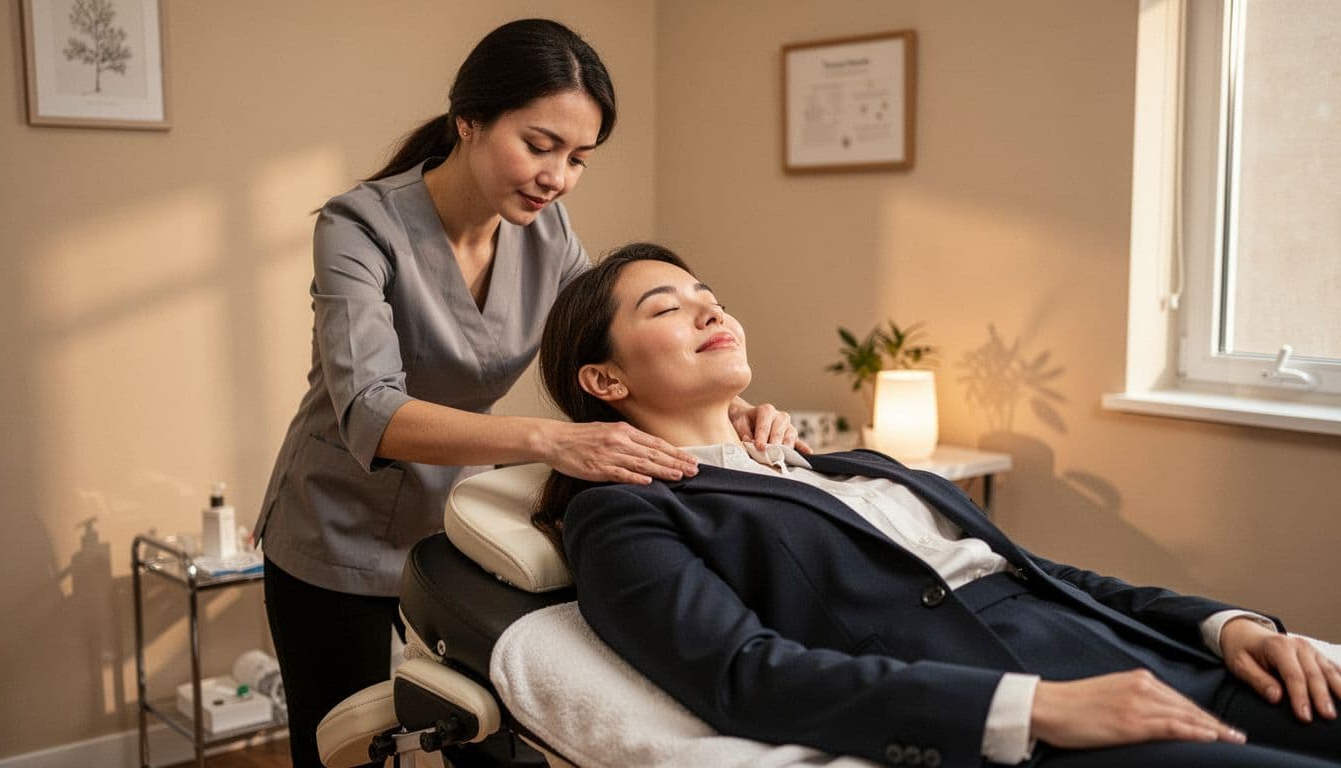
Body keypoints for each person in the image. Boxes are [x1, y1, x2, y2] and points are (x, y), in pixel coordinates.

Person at [530, 242, 1341, 768]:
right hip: (1031, 706)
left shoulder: (836, 458)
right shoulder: (627, 509)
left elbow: (1040, 572)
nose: (711, 310)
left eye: (708, 293)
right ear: (605, 382)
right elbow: (745, 675)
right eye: (666, 308)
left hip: (1156, 658)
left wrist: (1226, 625)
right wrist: (1035, 707)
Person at [255, 23, 802, 767]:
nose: (557, 177)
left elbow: (612, 352)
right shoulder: (360, 227)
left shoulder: (550, 238)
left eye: (578, 159)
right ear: (469, 120)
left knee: (492, 743)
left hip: (452, 524)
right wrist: (550, 439)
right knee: (337, 755)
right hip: (332, 523)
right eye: (539, 145)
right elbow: (370, 409)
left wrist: (724, 409)